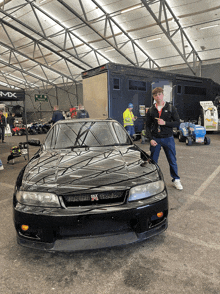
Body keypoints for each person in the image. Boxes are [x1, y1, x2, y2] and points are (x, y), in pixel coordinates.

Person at [145, 87, 183, 190]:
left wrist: (165, 123)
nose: (158, 97)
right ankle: (153, 180)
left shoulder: (171, 108)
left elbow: (177, 123)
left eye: (159, 94)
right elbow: (147, 126)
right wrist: (150, 139)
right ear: (153, 97)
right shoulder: (151, 110)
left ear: (163, 95)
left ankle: (176, 179)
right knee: (153, 161)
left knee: (172, 160)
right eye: (155, 95)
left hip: (168, 138)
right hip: (155, 139)